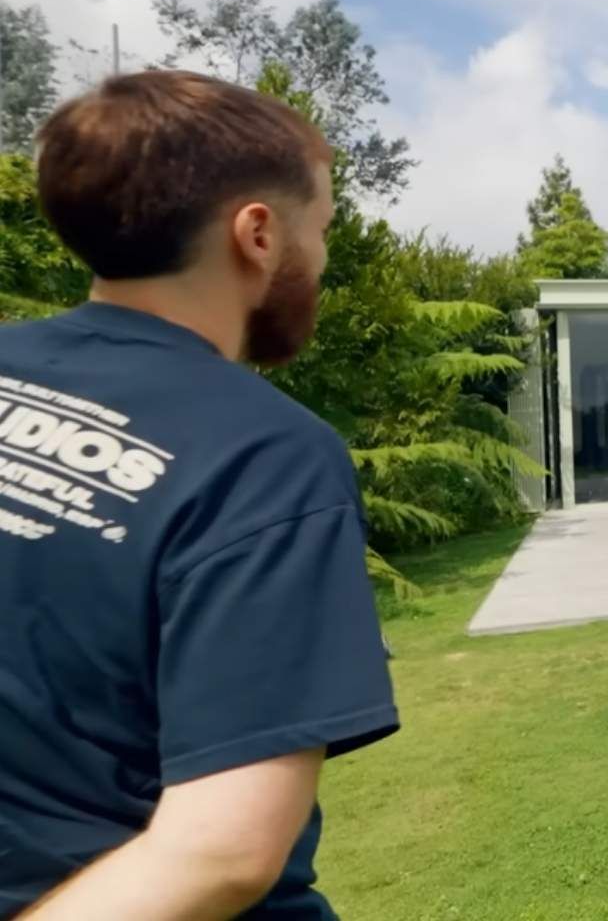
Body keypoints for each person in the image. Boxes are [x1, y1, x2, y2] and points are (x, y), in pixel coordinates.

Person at [0, 71, 398, 918]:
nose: (320, 260)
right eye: (319, 229)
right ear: (257, 234)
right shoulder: (266, 455)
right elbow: (220, 852)